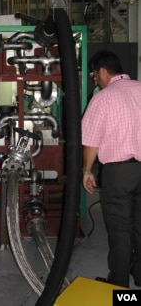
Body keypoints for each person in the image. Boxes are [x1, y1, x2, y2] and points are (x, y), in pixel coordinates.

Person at [82, 50, 141, 288]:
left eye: (95, 75)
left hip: (119, 173)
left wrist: (87, 171)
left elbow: (91, 142)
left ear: (103, 71)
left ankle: (119, 287)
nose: (95, 80)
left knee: (120, 229)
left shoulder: (102, 98)